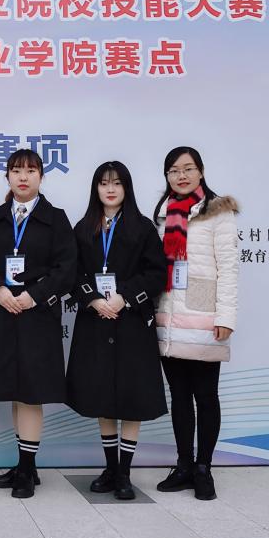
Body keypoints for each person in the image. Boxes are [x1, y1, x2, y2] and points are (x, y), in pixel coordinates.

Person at [0, 149, 76, 498]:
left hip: (37, 316)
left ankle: (27, 469)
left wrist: (34, 295)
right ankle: (24, 465)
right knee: (14, 391)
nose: (23, 177)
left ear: (41, 177)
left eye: (31, 171)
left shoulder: (56, 219)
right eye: (17, 171)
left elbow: (67, 267)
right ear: (7, 176)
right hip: (1, 315)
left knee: (31, 392)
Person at [66, 161, 167, 500]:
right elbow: (72, 274)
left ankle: (125, 472)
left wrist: (125, 297)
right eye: (104, 183)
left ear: (127, 188)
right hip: (95, 322)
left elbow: (156, 274)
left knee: (130, 398)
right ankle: (110, 468)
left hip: (132, 323)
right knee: (102, 397)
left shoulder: (143, 227)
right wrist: (93, 300)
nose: (110, 189)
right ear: (95, 188)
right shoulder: (84, 227)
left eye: (117, 183)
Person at [152, 146, 239, 501]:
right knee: (179, 396)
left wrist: (226, 317)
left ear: (201, 172)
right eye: (174, 170)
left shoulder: (218, 212)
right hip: (169, 316)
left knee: (205, 395)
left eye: (188, 169)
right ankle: (184, 465)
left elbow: (229, 269)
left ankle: (204, 468)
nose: (182, 176)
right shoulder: (161, 214)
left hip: (204, 317)